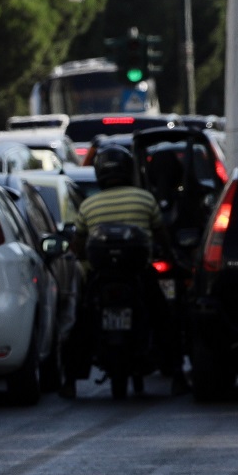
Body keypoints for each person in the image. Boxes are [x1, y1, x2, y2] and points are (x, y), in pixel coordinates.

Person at [65, 144, 183, 396]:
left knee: (81, 323)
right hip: (139, 275)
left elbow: (77, 244)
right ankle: (178, 375)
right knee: (163, 318)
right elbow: (161, 234)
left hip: (100, 278)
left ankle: (70, 381)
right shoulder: (145, 198)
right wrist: (171, 254)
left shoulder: (89, 205)